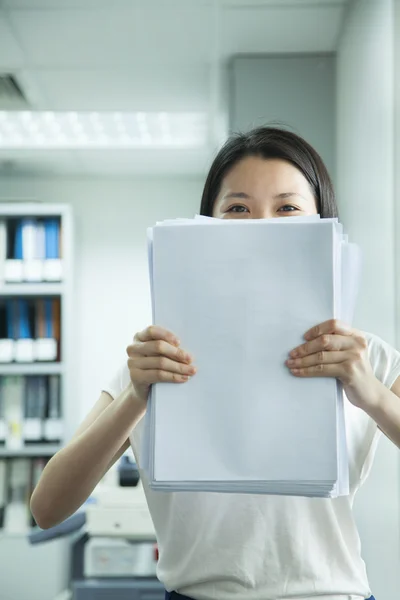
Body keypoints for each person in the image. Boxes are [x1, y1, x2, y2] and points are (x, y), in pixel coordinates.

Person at [31, 127, 400, 600]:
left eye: (287, 208)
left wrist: (371, 393)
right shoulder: (155, 359)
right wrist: (136, 397)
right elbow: (47, 508)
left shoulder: (361, 354)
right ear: (206, 225)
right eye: (238, 209)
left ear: (323, 223)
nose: (261, 226)